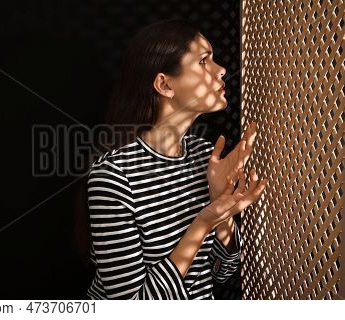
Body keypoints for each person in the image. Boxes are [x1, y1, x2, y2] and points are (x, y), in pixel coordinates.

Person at [85, 18, 267, 299]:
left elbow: (222, 272)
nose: (221, 70)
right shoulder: (114, 177)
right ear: (165, 84)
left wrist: (223, 209)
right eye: (204, 61)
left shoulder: (204, 156)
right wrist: (203, 223)